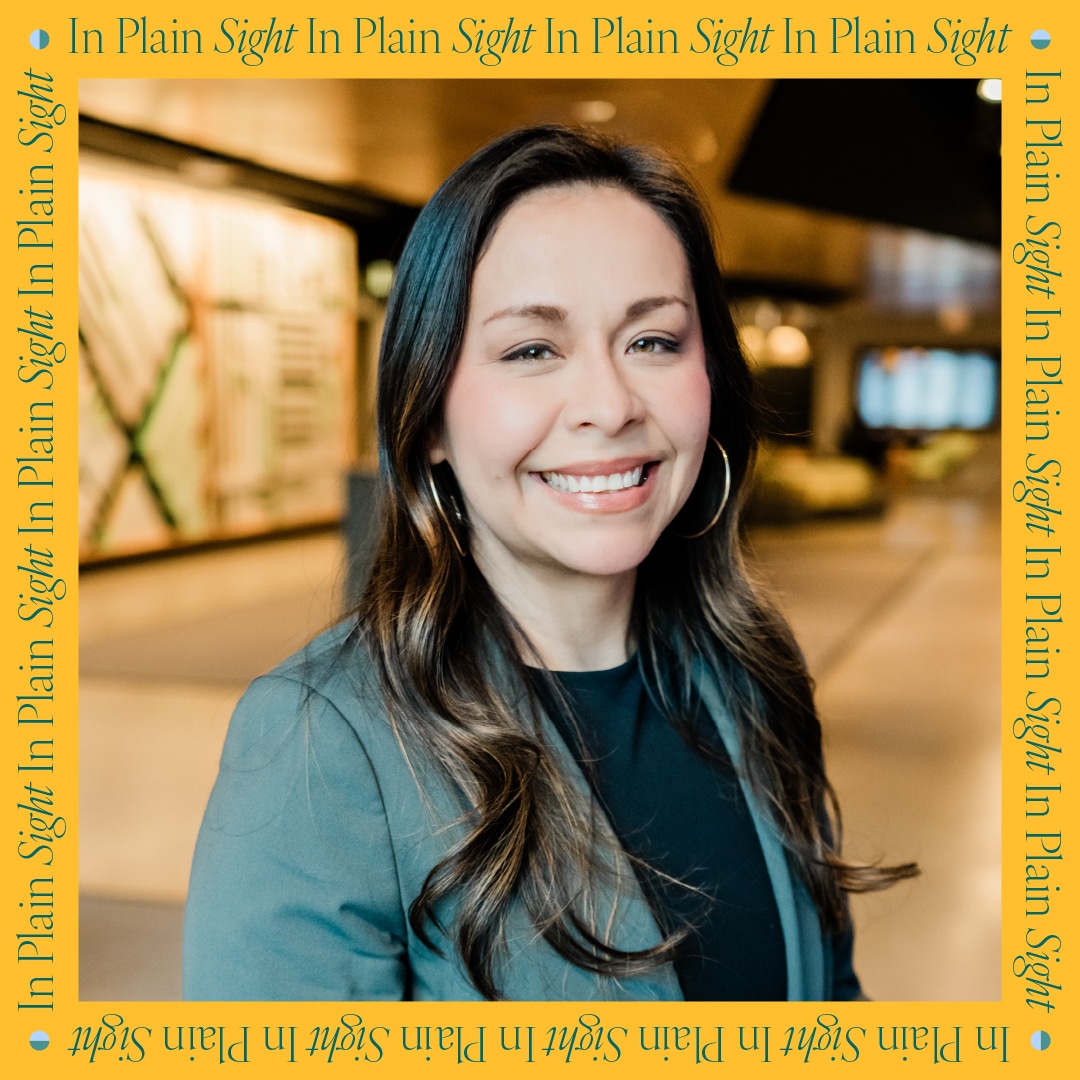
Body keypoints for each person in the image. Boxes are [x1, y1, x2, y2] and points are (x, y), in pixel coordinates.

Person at [183, 125, 915, 1002]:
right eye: (532, 350)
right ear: (430, 421)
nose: (609, 406)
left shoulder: (750, 671)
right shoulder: (321, 743)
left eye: (653, 340)